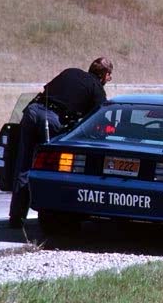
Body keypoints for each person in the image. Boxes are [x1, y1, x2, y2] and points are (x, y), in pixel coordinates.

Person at [8, 57, 114, 228]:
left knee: (24, 165)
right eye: (109, 75)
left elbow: (48, 91)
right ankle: (51, 214)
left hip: (32, 112)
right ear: (104, 74)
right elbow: (98, 119)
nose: (109, 79)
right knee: (52, 168)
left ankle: (16, 217)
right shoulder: (97, 89)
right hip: (51, 120)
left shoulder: (71, 72)